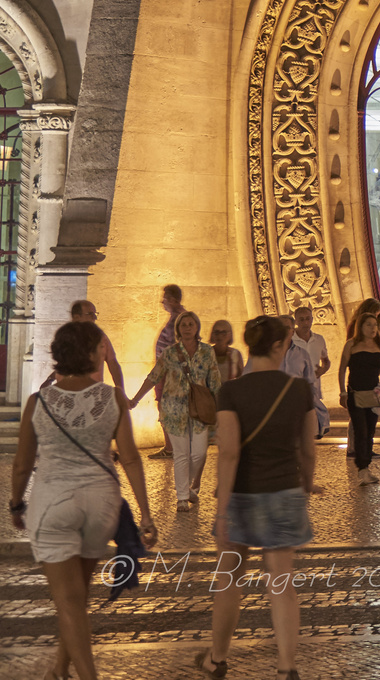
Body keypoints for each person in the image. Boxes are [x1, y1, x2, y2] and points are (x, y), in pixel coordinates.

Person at [9, 319, 158, 680]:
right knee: (76, 598)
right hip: (101, 506)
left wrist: (16, 504)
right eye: (101, 346)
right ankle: (59, 667)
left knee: (69, 601)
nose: (105, 351)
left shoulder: (37, 402)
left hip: (54, 506)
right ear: (90, 354)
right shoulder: (113, 398)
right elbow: (132, 458)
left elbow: (23, 463)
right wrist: (146, 515)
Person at [201, 314, 320, 680]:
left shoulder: (231, 392)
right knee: (282, 584)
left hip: (241, 495)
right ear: (277, 346)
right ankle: (286, 668)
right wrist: (305, 486)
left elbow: (229, 453)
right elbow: (309, 449)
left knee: (230, 580)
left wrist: (221, 511)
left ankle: (217, 658)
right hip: (284, 491)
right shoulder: (299, 390)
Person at [141, 311, 222, 511]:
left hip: (199, 410)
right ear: (178, 329)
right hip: (174, 410)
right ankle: (182, 498)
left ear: (197, 328)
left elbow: (215, 380)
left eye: (190, 324)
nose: (187, 327)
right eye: (183, 325)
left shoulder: (206, 352)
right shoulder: (170, 353)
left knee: (199, 454)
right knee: (181, 455)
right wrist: (135, 398)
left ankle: (188, 488)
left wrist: (221, 405)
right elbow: (155, 376)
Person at [130, 284, 185, 457]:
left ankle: (171, 448)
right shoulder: (177, 317)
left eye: (166, 298)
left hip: (168, 373)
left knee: (165, 408)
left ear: (174, 300)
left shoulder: (179, 320)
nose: (163, 302)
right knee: (164, 408)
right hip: (165, 371)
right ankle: (171, 447)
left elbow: (178, 348)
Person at [338, 310, 380, 486]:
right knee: (360, 430)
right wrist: (342, 392)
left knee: (370, 431)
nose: (372, 328)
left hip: (374, 395)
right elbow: (342, 368)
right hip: (355, 394)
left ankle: (366, 465)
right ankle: (362, 468)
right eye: (368, 324)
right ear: (360, 327)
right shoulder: (351, 345)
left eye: (375, 325)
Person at [274, 315, 330, 439]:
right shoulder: (267, 354)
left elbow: (309, 383)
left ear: (292, 331)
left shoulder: (302, 354)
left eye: (287, 328)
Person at [290, 306, 330, 436]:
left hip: (313, 384)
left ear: (312, 319)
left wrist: (321, 371)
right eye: (301, 320)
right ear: (296, 321)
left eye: (308, 319)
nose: (305, 323)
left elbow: (326, 361)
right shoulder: (290, 341)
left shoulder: (319, 339)